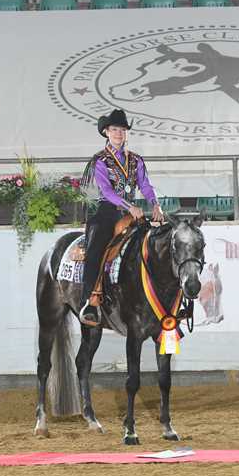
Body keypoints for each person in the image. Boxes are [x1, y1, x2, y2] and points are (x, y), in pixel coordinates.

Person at [79, 108, 165, 326]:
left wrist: (155, 204)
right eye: (115, 129)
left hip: (132, 212)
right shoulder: (100, 160)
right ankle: (91, 298)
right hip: (108, 210)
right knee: (97, 246)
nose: (119, 133)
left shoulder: (136, 160)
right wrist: (129, 206)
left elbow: (145, 185)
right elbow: (107, 191)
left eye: (122, 130)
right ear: (106, 132)